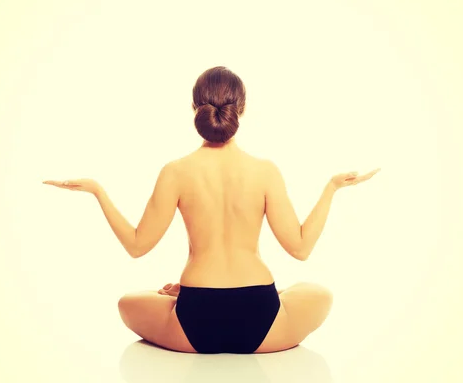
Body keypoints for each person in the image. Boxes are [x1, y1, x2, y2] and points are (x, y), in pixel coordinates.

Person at [43, 66, 380, 354]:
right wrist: (331, 188)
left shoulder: (176, 171)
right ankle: (264, 295)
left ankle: (188, 298)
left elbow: (136, 246)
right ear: (242, 110)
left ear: (195, 107)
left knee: (128, 302)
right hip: (260, 312)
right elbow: (301, 248)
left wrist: (99, 192)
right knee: (318, 293)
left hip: (196, 317)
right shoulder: (265, 171)